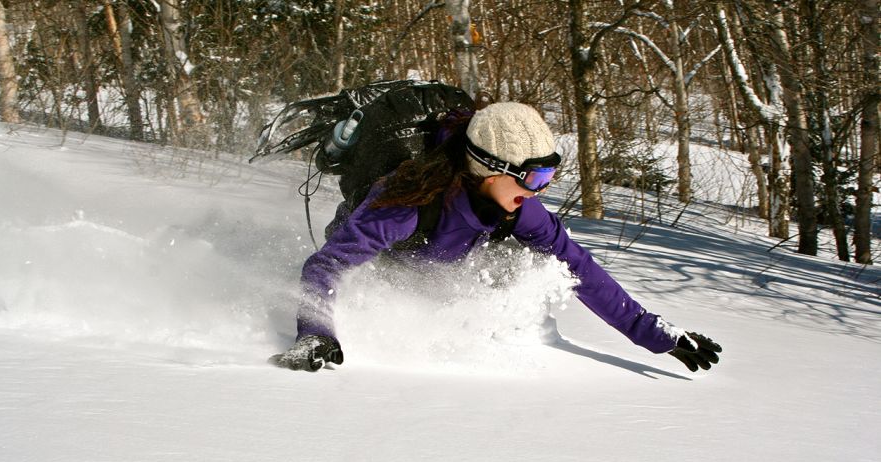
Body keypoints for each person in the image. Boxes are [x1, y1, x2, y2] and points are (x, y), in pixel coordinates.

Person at [270, 102, 722, 372]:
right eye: (535, 176)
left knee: (522, 262)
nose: (541, 190)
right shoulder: (404, 204)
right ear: (491, 171)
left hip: (450, 251)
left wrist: (656, 334)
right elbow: (327, 265)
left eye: (549, 174)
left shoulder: (521, 209)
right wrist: (315, 332)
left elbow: (579, 267)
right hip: (387, 255)